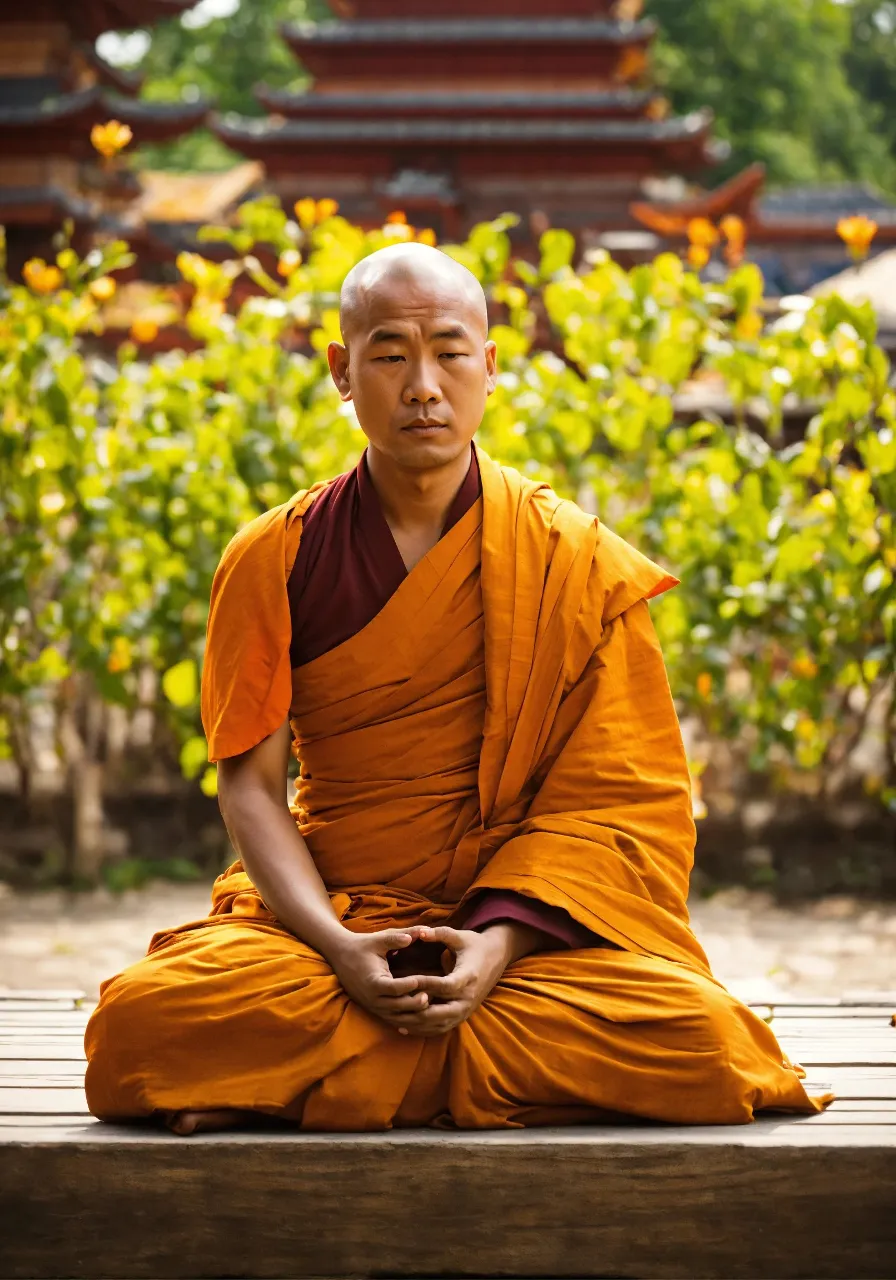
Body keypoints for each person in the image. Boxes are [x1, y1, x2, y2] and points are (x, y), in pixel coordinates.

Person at [84, 242, 832, 1135]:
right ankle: (432, 1067)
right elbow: (249, 783)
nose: (423, 386)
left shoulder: (571, 561)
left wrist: (494, 949)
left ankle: (314, 1074)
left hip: (521, 938)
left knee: (707, 1043)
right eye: (391, 354)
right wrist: (343, 951)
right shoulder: (273, 556)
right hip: (334, 920)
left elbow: (619, 805)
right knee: (137, 1030)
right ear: (342, 372)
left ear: (491, 364)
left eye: (448, 351)